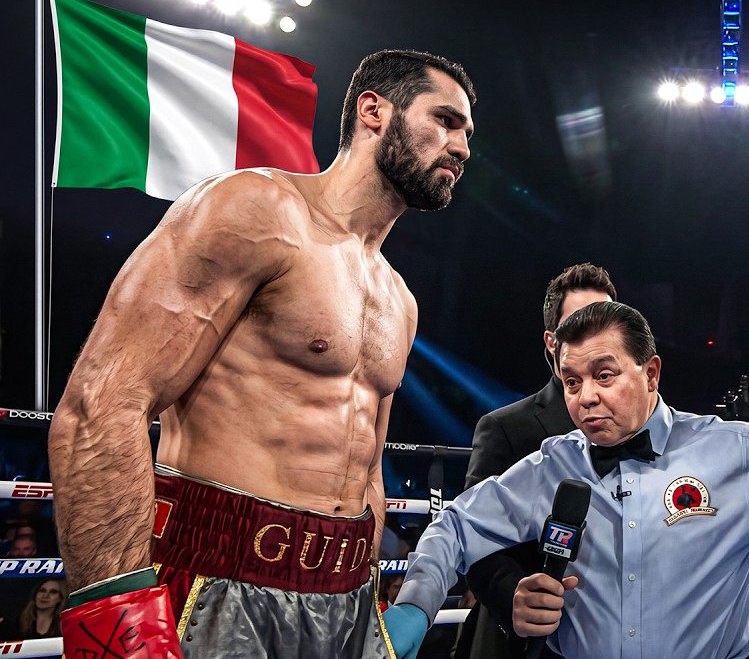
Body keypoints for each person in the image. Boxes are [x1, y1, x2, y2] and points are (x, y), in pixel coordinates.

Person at [47, 49, 476, 658]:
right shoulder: (256, 210)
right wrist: (118, 620)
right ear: (373, 111)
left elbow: (368, 471)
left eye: (467, 133)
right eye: (445, 120)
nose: (461, 147)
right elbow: (102, 404)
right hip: (214, 577)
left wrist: (366, 602)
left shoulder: (398, 300)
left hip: (346, 594)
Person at [385, 301, 749, 659]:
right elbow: (456, 526)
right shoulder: (553, 465)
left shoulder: (737, 451)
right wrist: (415, 605)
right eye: (572, 382)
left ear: (651, 374)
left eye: (604, 375)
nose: (585, 397)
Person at [459, 262, 618, 659]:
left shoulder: (644, 431)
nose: (595, 337)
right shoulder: (507, 428)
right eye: (580, 324)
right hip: (530, 646)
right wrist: (513, 594)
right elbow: (474, 533)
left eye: (606, 323)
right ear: (552, 342)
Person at [0, 579, 67, 640]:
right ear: (35, 594)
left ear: (60, 598)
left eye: (53, 592)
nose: (45, 596)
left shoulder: (64, 625)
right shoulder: (17, 624)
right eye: (42, 590)